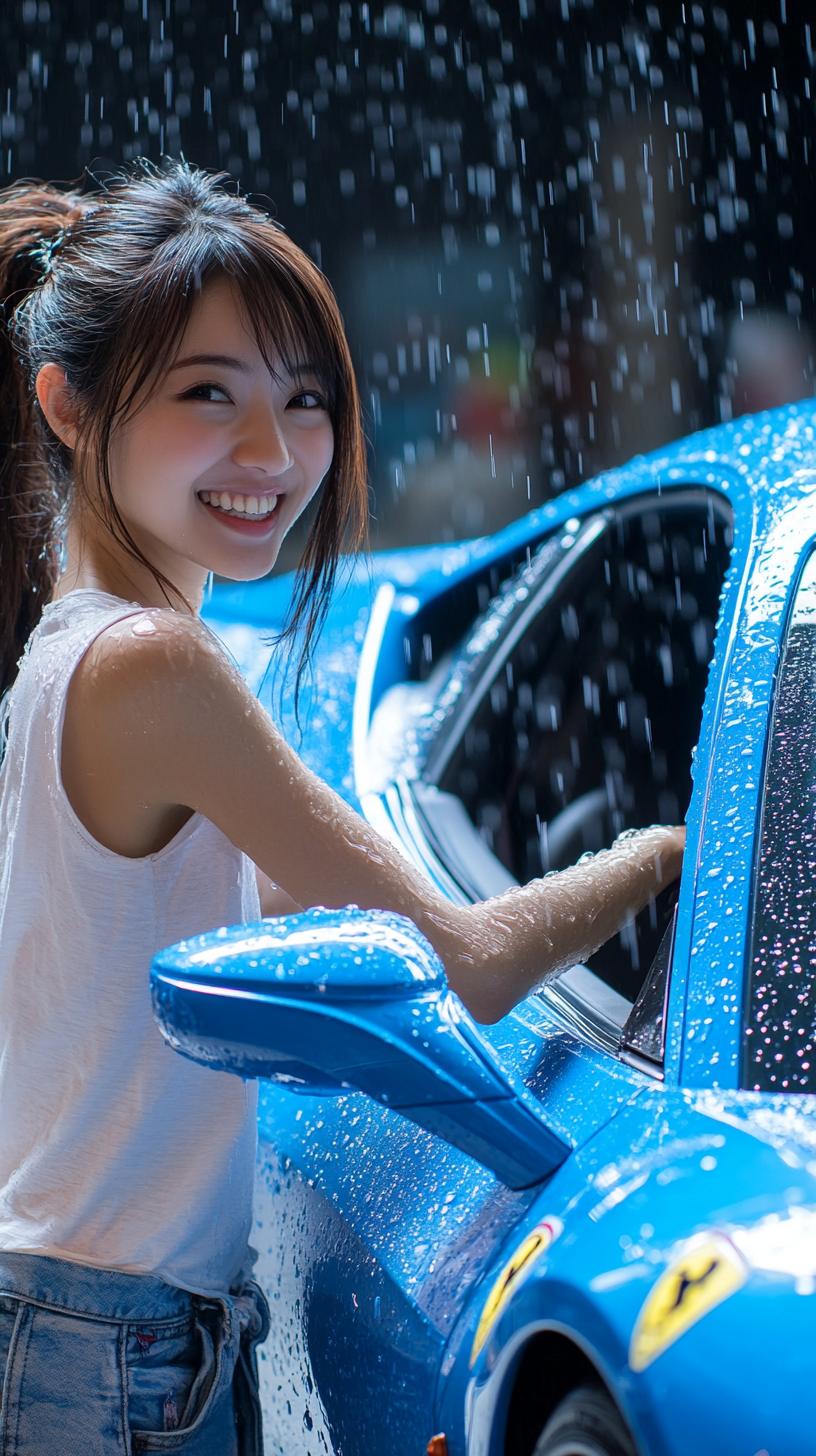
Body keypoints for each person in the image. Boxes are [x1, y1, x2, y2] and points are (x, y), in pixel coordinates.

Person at [0, 162, 684, 1453]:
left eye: (304, 400)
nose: (273, 454)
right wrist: (661, 851)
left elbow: (288, 922)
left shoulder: (73, 645)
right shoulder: (153, 665)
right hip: (106, 1350)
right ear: (70, 407)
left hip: (94, 1328)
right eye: (211, 395)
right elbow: (465, 966)